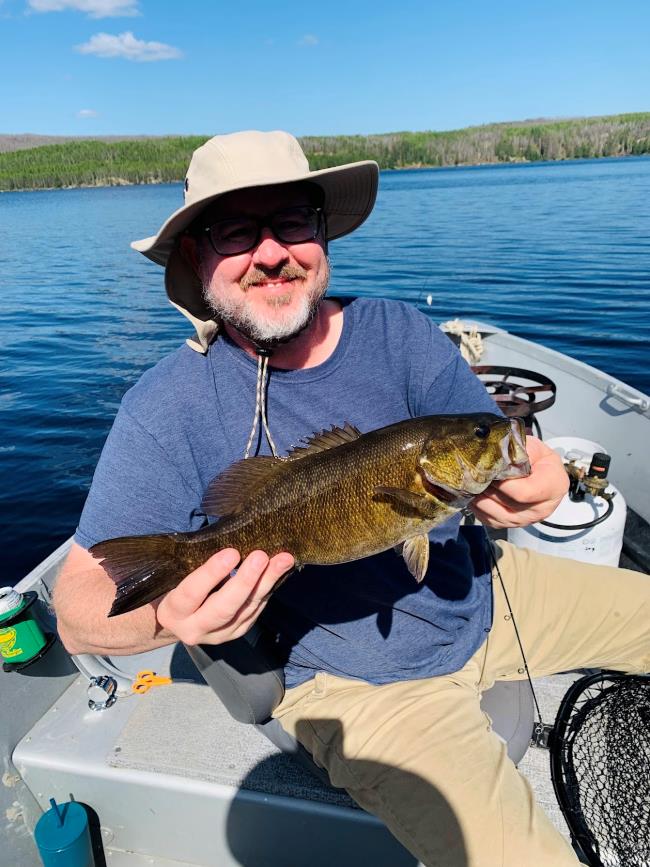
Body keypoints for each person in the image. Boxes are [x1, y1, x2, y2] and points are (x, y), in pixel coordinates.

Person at [54, 131, 649, 867]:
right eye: (237, 230)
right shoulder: (166, 405)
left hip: (493, 593)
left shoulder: (398, 331)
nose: (272, 251)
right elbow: (77, 613)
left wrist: (536, 479)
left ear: (322, 231)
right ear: (193, 257)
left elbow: (488, 439)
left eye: (294, 221)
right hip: (359, 688)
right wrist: (168, 614)